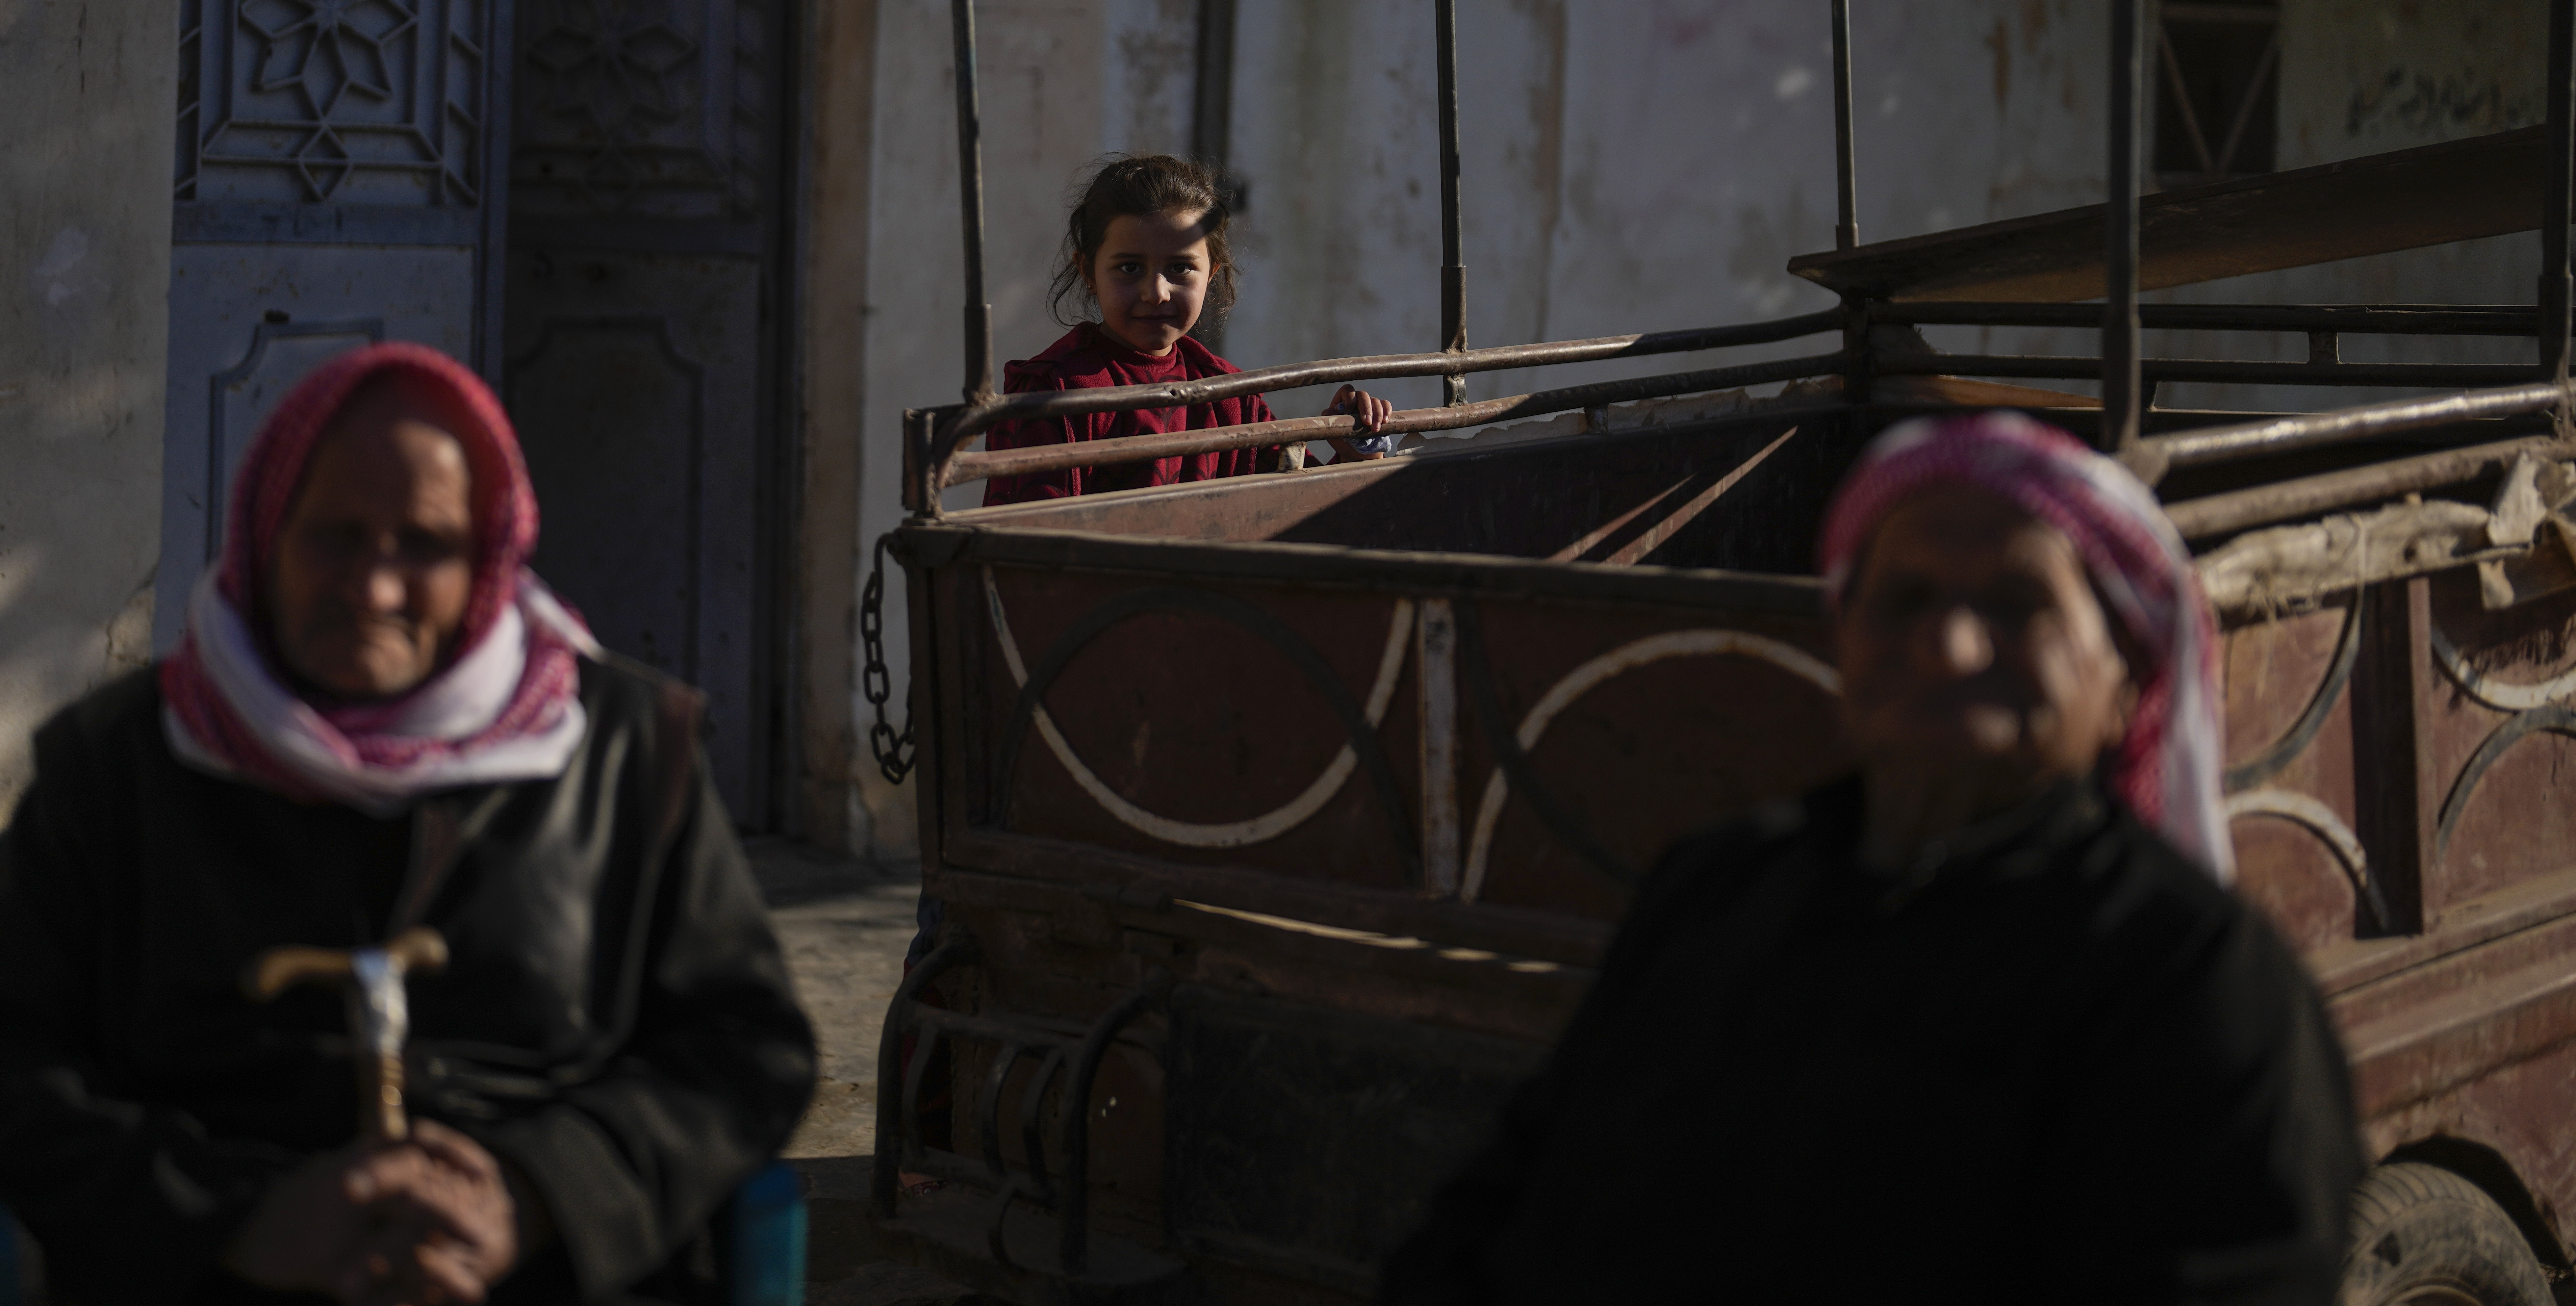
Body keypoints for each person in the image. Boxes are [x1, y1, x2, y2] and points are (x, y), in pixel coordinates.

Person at [0, 344, 816, 1306]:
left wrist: (536, 1195)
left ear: (487, 561)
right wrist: (242, 1216)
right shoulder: (120, 765)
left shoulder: (628, 754)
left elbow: (747, 1052)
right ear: (264, 532)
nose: (374, 589)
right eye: (334, 535)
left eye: (424, 544)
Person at [1379, 412, 2365, 1305]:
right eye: (1902, 598)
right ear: (1842, 640)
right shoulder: (1719, 888)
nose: (1946, 642)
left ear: (2124, 680)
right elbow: (1503, 1204)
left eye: (2017, 603)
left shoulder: (2189, 978)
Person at [983, 154, 1393, 505]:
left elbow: (1291, 513)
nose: (1156, 293)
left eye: (1180, 268)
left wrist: (1356, 444)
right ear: (1088, 271)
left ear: (1211, 273)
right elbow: (1031, 556)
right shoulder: (1054, 393)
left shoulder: (1229, 396)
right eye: (1129, 268)